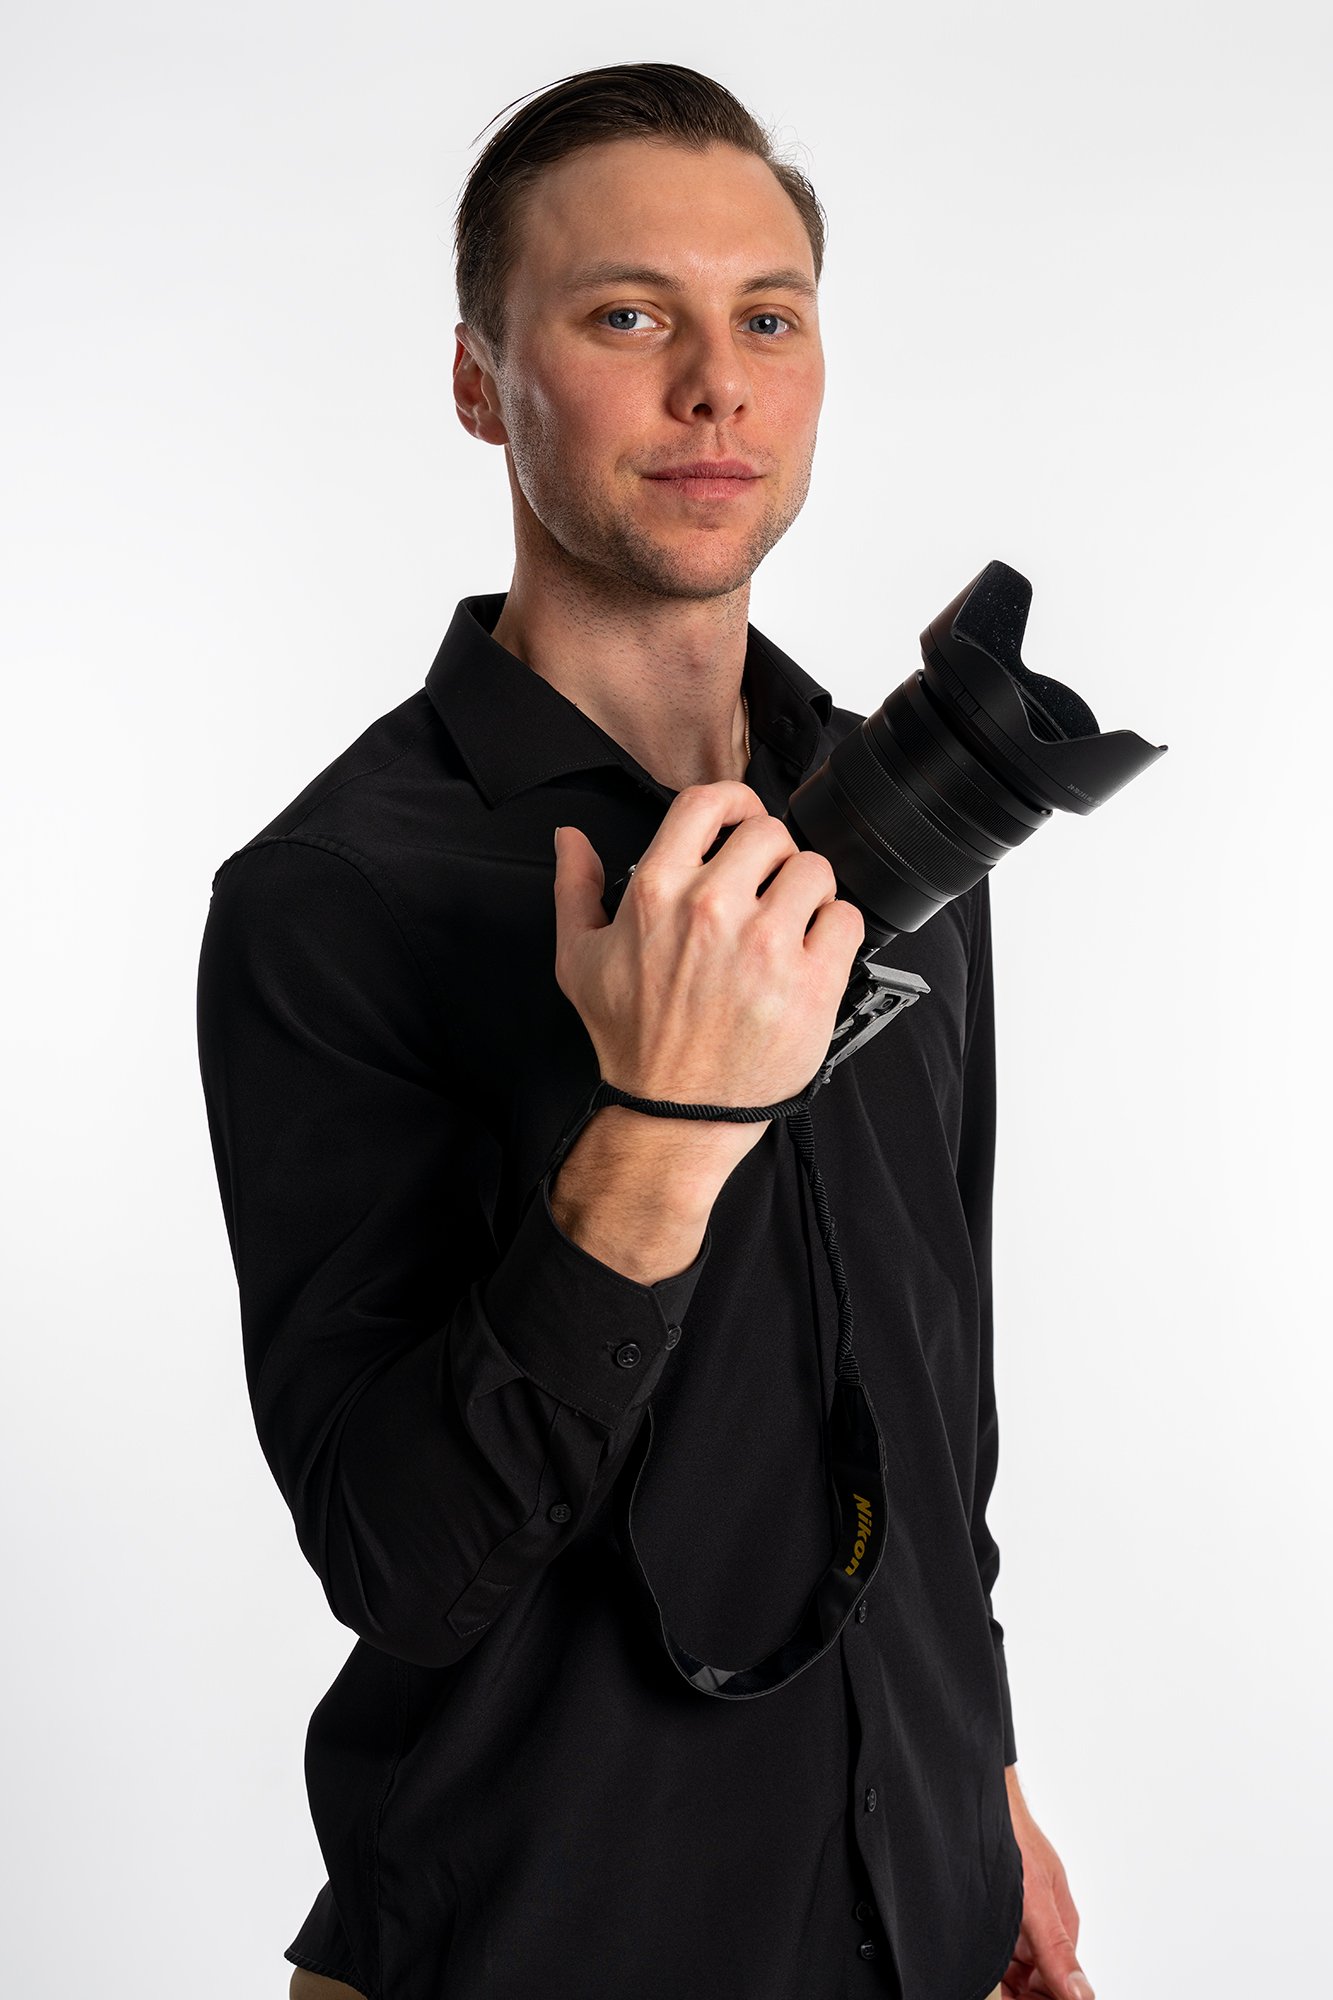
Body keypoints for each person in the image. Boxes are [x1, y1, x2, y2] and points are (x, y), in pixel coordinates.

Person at [196, 62, 1096, 2000]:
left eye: (766, 317)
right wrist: (667, 1125)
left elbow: (938, 1391)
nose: (715, 387)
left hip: (916, 1910)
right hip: (547, 1936)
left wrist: (980, 1784)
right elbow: (402, 1563)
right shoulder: (336, 895)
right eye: (626, 316)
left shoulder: (904, 829)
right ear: (478, 381)